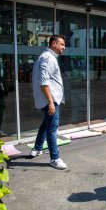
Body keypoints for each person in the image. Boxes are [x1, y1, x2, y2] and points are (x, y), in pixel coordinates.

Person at [30, 35, 68, 170]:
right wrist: (51, 102)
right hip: (50, 100)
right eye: (62, 44)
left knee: (46, 124)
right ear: (53, 44)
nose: (64, 47)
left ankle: (37, 147)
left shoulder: (46, 57)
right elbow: (43, 82)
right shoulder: (48, 58)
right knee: (52, 129)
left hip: (49, 99)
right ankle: (54, 158)